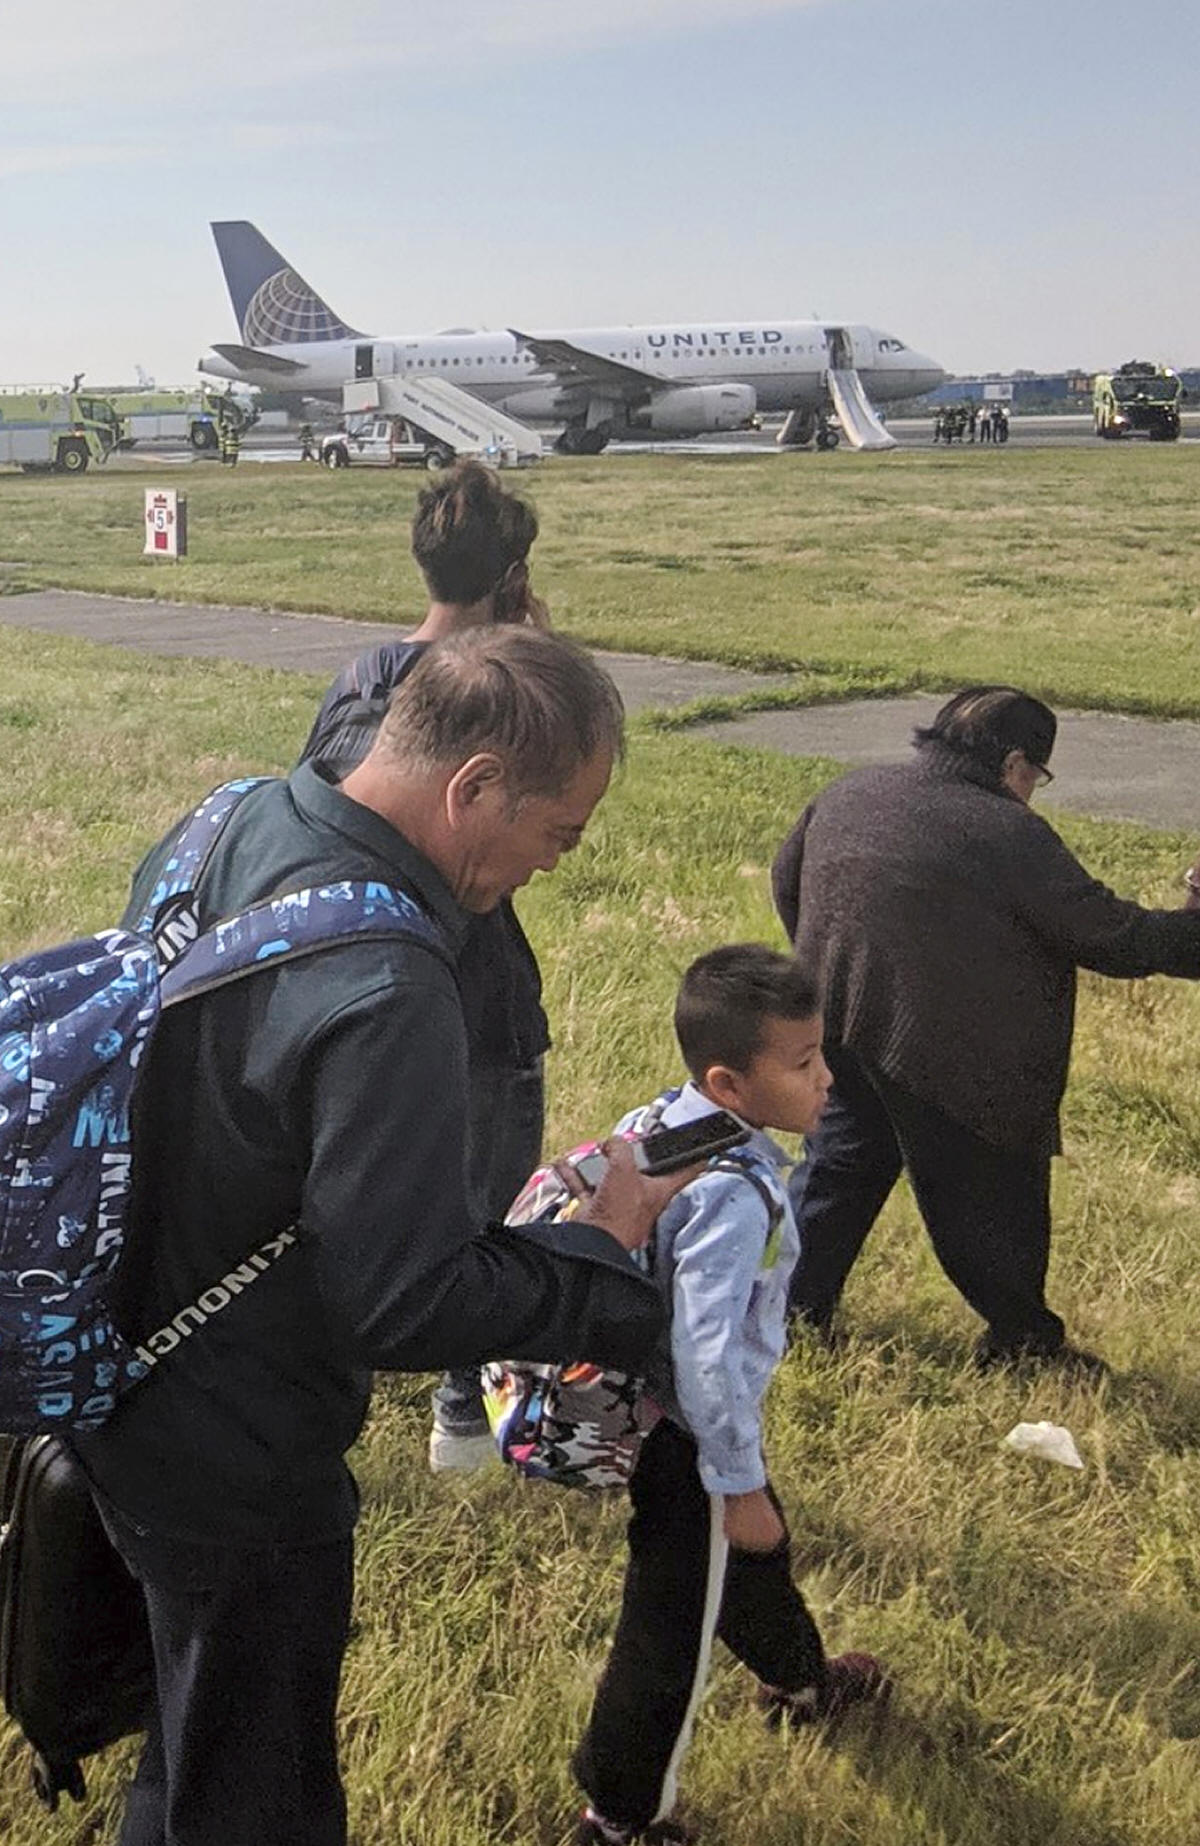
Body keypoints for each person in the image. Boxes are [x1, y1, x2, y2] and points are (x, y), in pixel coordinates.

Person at [71, 627, 692, 1846]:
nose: (554, 864)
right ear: (474, 787)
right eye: (559, 833)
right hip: (244, 1451)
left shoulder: (228, 818)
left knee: (197, 1737)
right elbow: (401, 1300)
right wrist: (600, 1257)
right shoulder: (392, 984)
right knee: (258, 1797)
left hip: (113, 1367)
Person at [771, 686, 1200, 1369]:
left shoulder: (851, 793)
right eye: (1037, 777)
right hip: (948, 1050)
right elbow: (1113, 937)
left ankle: (786, 1315)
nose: (1032, 793)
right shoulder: (1005, 831)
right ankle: (1021, 1345)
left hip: (839, 1022)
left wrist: (832, 966)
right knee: (992, 1198)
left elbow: (786, 880)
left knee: (839, 1169)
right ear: (1014, 764)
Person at [572, 945, 889, 1846]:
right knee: (670, 1625)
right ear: (730, 1083)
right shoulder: (734, 1195)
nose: (827, 1080)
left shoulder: (665, 1125)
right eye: (804, 1063)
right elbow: (705, 1356)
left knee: (752, 1560)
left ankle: (801, 1681)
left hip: (674, 1423)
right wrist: (735, 1479)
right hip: (689, 1439)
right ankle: (621, 1817)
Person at [299, 459, 551, 1471]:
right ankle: (462, 1411)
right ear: (513, 577)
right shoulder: (505, 697)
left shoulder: (362, 675)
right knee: (482, 1213)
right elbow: (527, 841)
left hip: (349, 989)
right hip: (475, 1003)